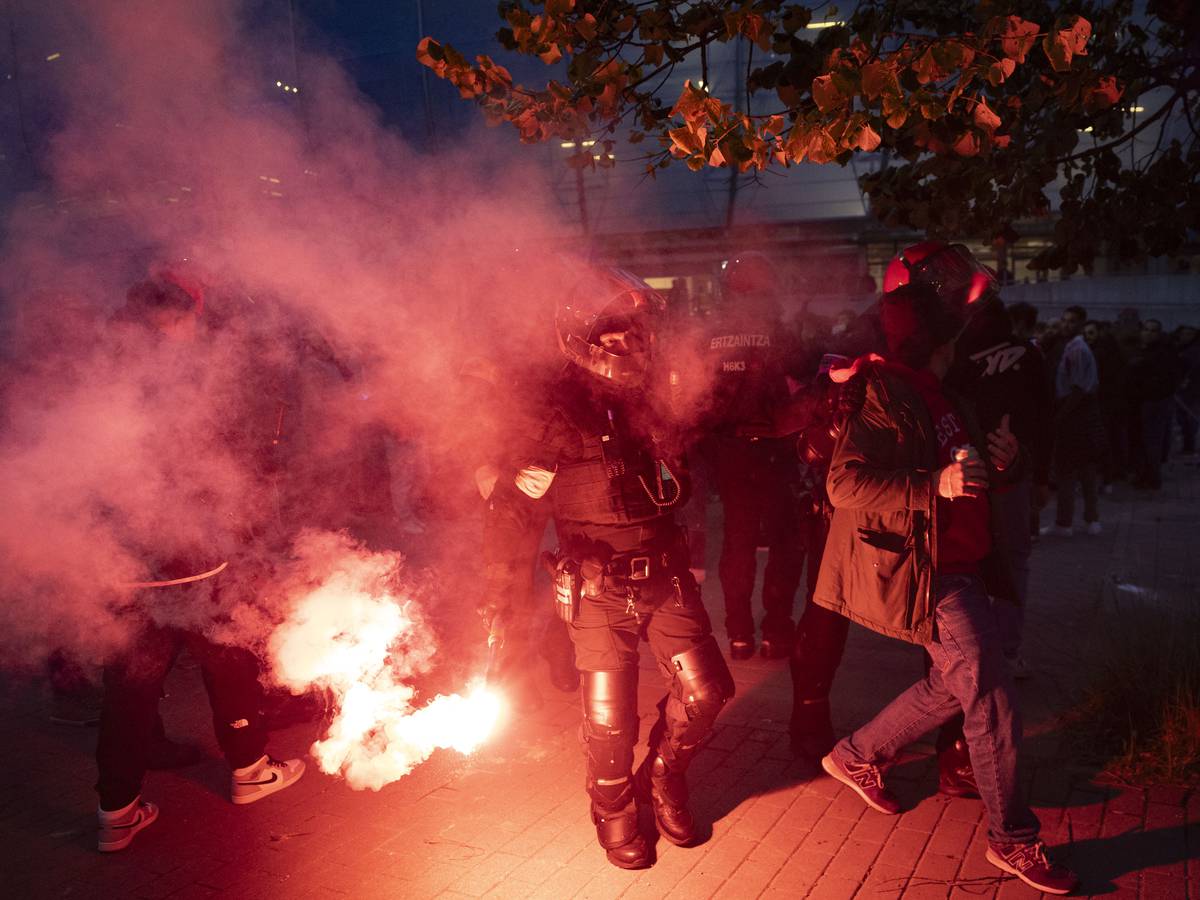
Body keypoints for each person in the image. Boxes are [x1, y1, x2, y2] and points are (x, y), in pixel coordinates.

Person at [814, 282, 1077, 895]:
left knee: (949, 684)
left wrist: (1003, 465)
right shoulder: (885, 391)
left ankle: (855, 755)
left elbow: (971, 470)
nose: (971, 329)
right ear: (937, 336)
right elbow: (845, 486)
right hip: (931, 571)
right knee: (989, 694)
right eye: (960, 323)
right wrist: (937, 481)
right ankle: (1012, 839)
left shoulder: (948, 390)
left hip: (968, 562)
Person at [480, 264, 734, 870]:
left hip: (666, 576)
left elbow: (696, 475)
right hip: (597, 588)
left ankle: (665, 777)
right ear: (584, 340)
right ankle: (613, 804)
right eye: (614, 336)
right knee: (610, 721)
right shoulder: (552, 410)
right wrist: (496, 592)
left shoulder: (657, 400)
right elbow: (511, 507)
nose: (629, 345)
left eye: (636, 334)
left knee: (707, 693)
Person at [95, 277, 304, 853]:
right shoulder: (195, 377)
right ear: (184, 318)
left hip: (124, 565)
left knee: (130, 690)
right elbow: (229, 460)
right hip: (194, 561)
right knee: (228, 662)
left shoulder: (101, 377)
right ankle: (249, 770)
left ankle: (116, 809)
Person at [700, 251, 803, 660]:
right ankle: (776, 631)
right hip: (777, 451)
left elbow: (699, 396)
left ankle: (739, 633)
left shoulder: (711, 333)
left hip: (730, 453)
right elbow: (805, 377)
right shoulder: (779, 331)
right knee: (783, 541)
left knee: (737, 543)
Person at [1044, 306, 1104, 536]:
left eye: (1071, 322)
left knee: (1070, 470)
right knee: (1082, 469)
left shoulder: (1078, 349)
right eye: (1065, 320)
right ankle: (1085, 519)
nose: (1066, 325)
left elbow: (1079, 389)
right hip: (1077, 413)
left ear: (1080, 324)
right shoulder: (1071, 347)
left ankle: (1067, 521)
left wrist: (1060, 416)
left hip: (1075, 415)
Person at [1127, 319, 1186, 489]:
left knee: (1152, 441)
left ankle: (1152, 478)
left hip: (1154, 402)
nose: (1148, 333)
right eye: (1146, 329)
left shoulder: (1164, 353)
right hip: (1142, 401)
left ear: (1159, 333)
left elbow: (1168, 378)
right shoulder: (1144, 351)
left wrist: (1150, 391)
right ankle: (1145, 474)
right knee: (1144, 441)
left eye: (1153, 330)